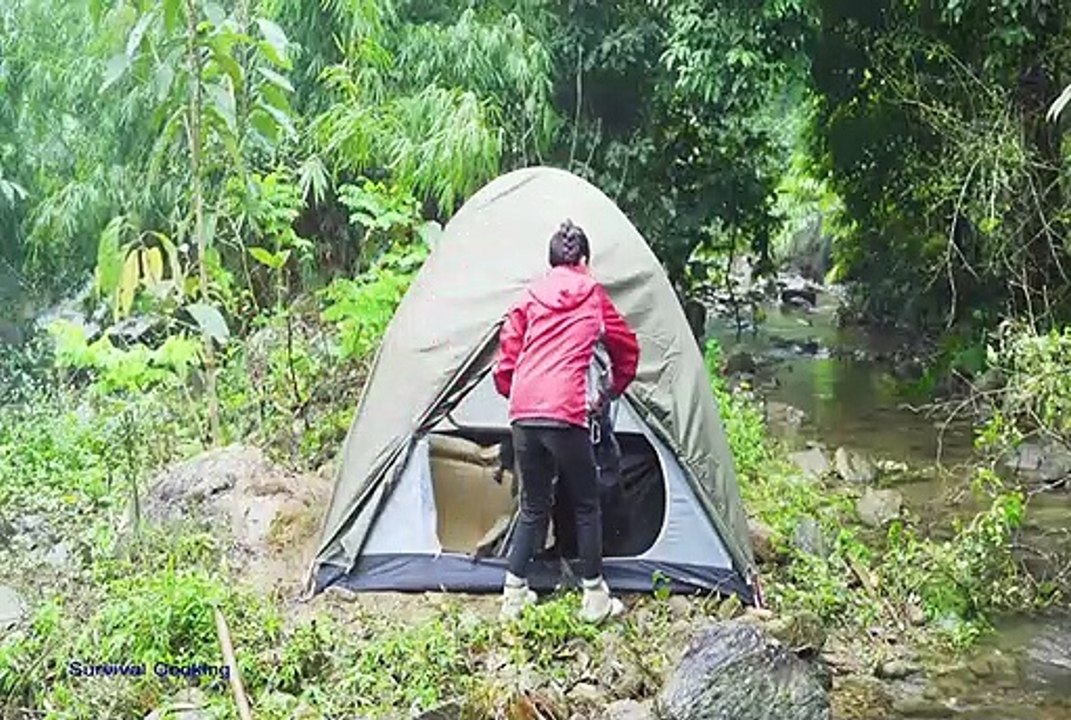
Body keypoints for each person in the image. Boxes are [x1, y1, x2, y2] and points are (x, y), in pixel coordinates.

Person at [492, 219, 640, 622]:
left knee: (533, 506)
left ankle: (514, 597)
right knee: (586, 503)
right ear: (586, 260)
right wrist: (610, 389)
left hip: (525, 413)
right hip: (567, 412)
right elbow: (627, 348)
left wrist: (516, 393)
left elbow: (506, 356)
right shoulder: (594, 295)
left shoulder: (528, 297)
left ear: (550, 261)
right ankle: (594, 598)